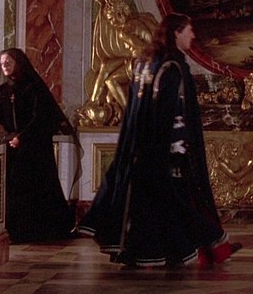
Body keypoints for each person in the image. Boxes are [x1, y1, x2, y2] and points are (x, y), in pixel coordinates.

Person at [78, 13, 241, 267]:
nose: (193, 35)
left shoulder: (145, 63)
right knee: (176, 202)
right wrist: (179, 147)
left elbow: (135, 110)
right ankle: (209, 242)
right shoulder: (172, 67)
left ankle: (143, 253)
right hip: (164, 150)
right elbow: (172, 112)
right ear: (176, 33)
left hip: (139, 147)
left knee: (148, 205)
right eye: (188, 30)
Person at [0, 48, 78, 244]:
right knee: (13, 188)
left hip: (34, 147)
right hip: (12, 146)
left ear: (18, 63)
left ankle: (36, 231)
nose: (4, 66)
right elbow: (0, 118)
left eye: (8, 62)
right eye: (2, 63)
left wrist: (22, 138)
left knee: (35, 187)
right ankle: (15, 231)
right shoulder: (2, 90)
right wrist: (8, 136)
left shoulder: (33, 87)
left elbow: (40, 117)